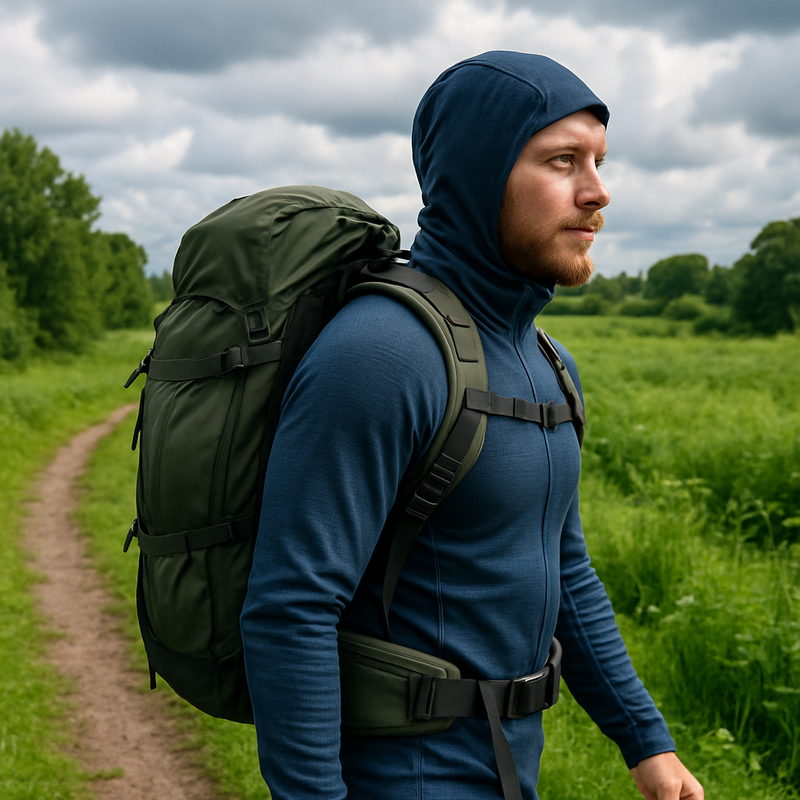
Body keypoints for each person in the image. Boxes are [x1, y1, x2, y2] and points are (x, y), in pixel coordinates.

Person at [240, 51, 704, 800]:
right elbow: (291, 608)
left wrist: (645, 740)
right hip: (403, 776)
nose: (598, 192)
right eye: (563, 161)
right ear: (479, 172)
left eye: (599, 161)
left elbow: (564, 569)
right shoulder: (383, 353)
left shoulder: (547, 360)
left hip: (509, 766)